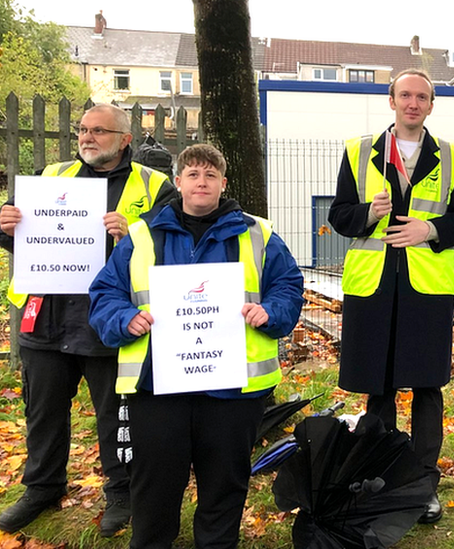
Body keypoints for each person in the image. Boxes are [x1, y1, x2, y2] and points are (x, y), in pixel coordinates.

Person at [88, 144, 304, 547]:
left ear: (223, 183)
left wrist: (271, 312)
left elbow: (288, 285)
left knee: (224, 483)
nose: (201, 182)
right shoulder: (141, 234)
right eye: (192, 174)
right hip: (157, 387)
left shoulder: (259, 234)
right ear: (179, 182)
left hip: (233, 391)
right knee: (154, 486)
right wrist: (124, 319)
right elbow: (104, 294)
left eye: (210, 175)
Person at [0, 104, 176, 536]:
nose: (87, 137)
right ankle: (42, 488)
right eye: (83, 129)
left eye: (99, 130)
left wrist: (133, 230)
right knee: (42, 412)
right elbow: (16, 238)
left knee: (115, 415)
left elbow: (175, 246)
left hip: (108, 319)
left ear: (125, 138)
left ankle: (121, 493)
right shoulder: (48, 178)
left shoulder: (155, 186)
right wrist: (5, 225)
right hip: (47, 317)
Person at [328, 69, 454, 524]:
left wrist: (429, 228)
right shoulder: (359, 151)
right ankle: (381, 478)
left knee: (428, 386)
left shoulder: (451, 156)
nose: (413, 103)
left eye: (422, 97)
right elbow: (338, 215)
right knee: (379, 386)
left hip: (425, 288)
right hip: (373, 285)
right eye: (405, 95)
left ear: (431, 105)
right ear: (391, 101)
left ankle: (422, 484)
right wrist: (366, 214)